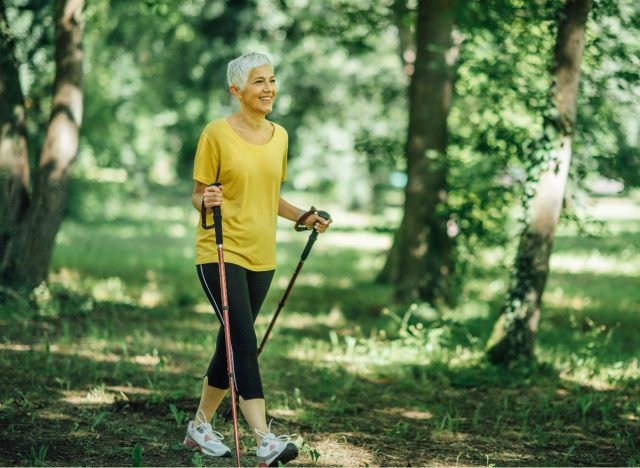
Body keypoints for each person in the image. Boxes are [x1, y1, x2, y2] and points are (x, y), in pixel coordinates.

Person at [184, 52, 332, 466]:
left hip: (262, 255)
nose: (269, 88)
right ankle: (264, 438)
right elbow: (199, 193)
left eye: (271, 80)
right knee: (243, 340)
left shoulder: (279, 136)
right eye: (258, 82)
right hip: (219, 251)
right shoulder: (216, 133)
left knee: (230, 341)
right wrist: (207, 200)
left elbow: (269, 195)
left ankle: (198, 426)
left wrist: (303, 216)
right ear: (236, 90)